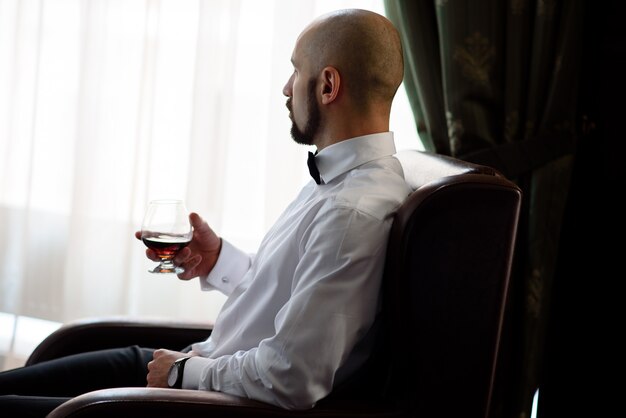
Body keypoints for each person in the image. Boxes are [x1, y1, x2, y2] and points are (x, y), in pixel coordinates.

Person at [0, 8, 410, 416]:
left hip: (205, 400)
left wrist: (182, 374)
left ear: (327, 86)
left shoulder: (352, 212)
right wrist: (218, 261)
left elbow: (293, 376)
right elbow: (285, 296)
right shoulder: (342, 181)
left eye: (295, 71)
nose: (286, 89)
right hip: (198, 364)